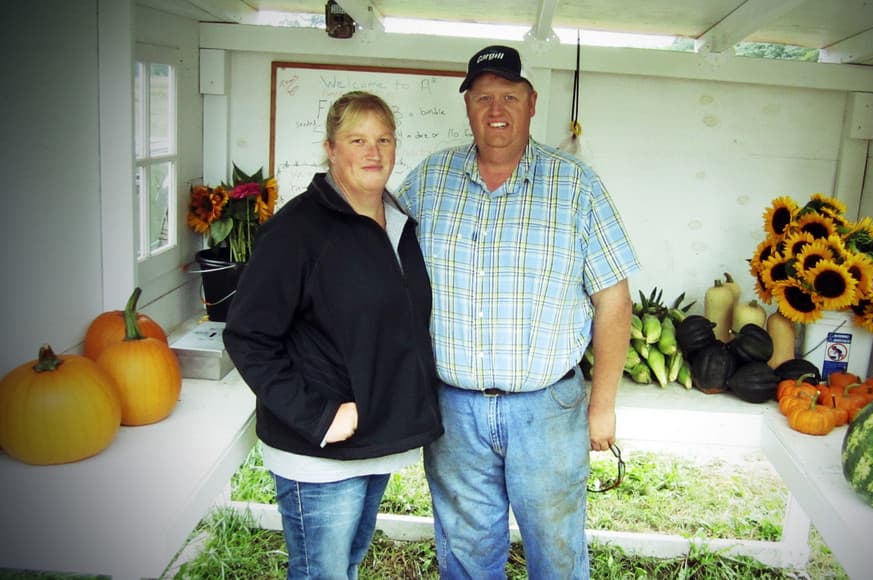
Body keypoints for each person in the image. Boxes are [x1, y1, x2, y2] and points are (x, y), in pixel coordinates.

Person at [397, 45, 640, 578]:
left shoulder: (576, 186)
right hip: (454, 411)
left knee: (555, 550)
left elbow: (613, 300)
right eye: (482, 97)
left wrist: (603, 406)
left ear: (531, 103)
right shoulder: (428, 182)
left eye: (508, 95)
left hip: (547, 408)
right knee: (465, 550)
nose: (495, 109)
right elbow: (382, 272)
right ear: (467, 107)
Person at [223, 91, 443, 580]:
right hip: (320, 447)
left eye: (383, 139)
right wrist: (318, 416)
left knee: (346, 566)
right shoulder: (298, 231)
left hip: (373, 435)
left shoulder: (398, 223)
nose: (373, 152)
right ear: (331, 148)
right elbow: (247, 336)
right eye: (357, 139)